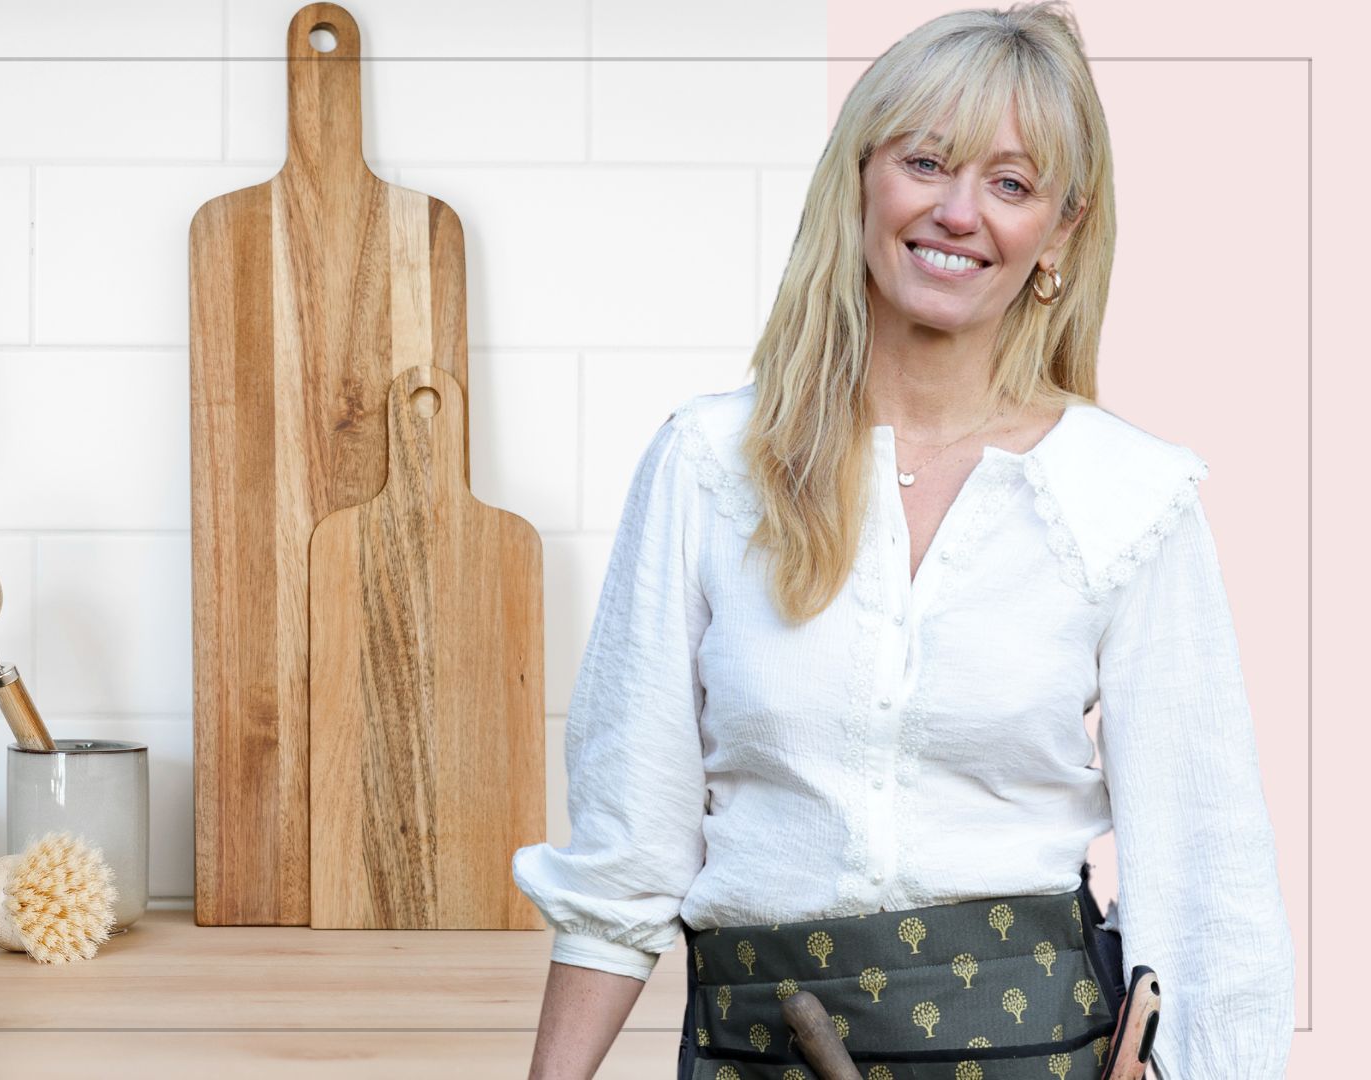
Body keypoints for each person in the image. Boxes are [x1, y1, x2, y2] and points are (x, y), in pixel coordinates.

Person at [511, 3, 1296, 1079]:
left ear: (1062, 231)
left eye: (1012, 185)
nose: (960, 212)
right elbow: (625, 855)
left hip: (1040, 1053)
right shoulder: (707, 465)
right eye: (928, 161)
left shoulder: (1130, 496)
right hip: (756, 1050)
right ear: (863, 176)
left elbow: (1209, 886)